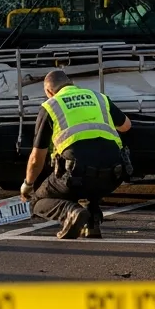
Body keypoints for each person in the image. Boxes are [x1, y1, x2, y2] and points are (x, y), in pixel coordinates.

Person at [21, 70, 132, 239]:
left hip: (78, 175)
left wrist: (28, 185)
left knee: (38, 200)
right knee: (89, 178)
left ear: (49, 92)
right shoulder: (99, 97)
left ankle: (70, 213)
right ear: (71, 83)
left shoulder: (51, 106)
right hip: (113, 175)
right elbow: (126, 126)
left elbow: (37, 159)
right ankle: (91, 223)